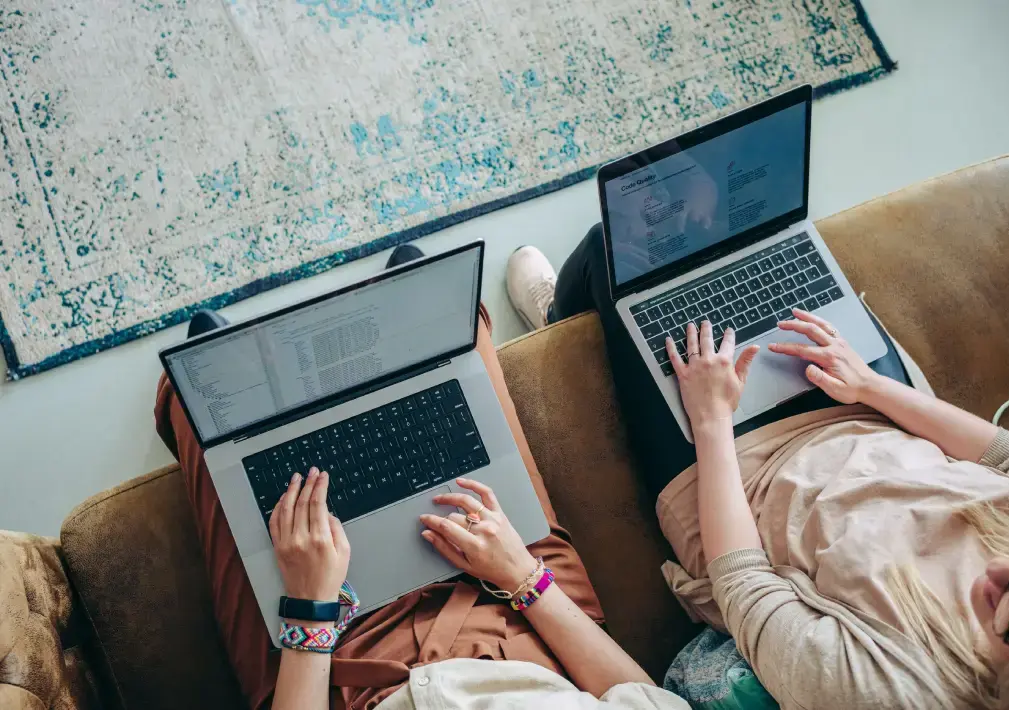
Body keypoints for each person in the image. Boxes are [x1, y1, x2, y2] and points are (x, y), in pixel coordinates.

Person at [505, 228, 1009, 709]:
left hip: (742, 478)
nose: (999, 568)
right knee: (771, 242)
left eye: (1005, 613)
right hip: (875, 414)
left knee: (612, 251)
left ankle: (558, 316)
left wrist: (711, 419)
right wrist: (868, 385)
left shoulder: (883, 691)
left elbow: (744, 586)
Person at [155, 244, 690, 710]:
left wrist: (310, 609)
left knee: (198, 406)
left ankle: (238, 369)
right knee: (449, 331)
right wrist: (523, 575)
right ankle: (404, 308)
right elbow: (636, 695)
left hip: (347, 665)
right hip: (522, 622)